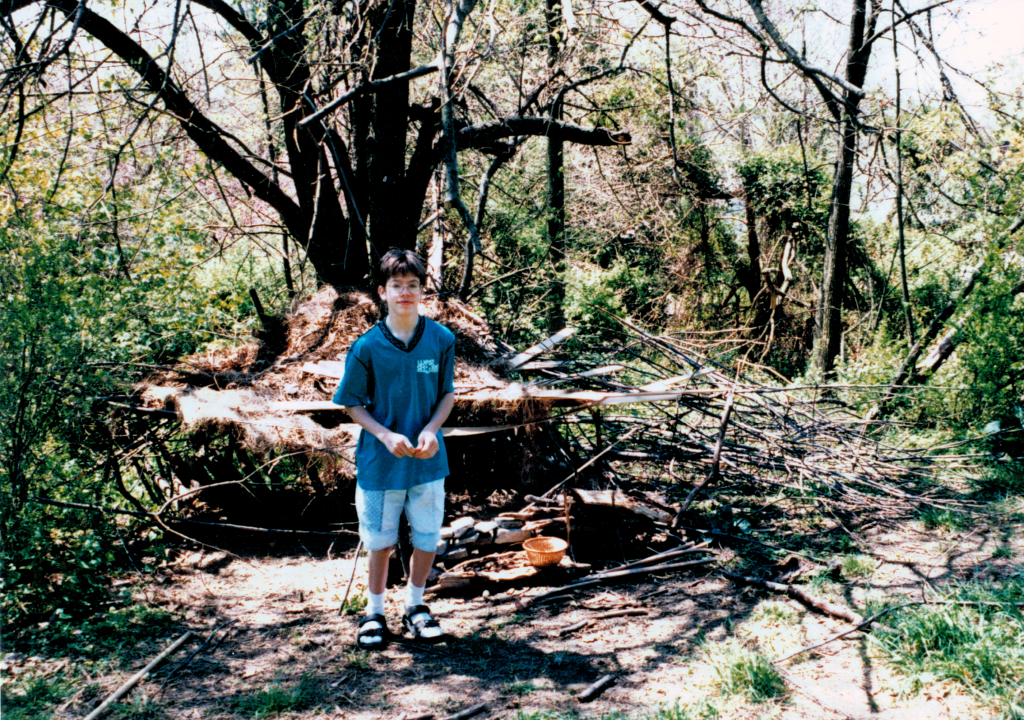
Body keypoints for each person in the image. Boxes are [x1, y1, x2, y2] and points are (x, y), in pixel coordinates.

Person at [333, 248, 455, 650]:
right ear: (383, 292)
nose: (405, 293)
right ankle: (374, 612)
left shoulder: (441, 340)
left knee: (425, 537)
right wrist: (385, 435)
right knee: (380, 541)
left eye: (413, 286)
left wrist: (432, 430)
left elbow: (447, 395)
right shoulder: (366, 347)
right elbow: (351, 402)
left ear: (422, 291)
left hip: (426, 461)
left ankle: (416, 607)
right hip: (381, 462)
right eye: (397, 286)